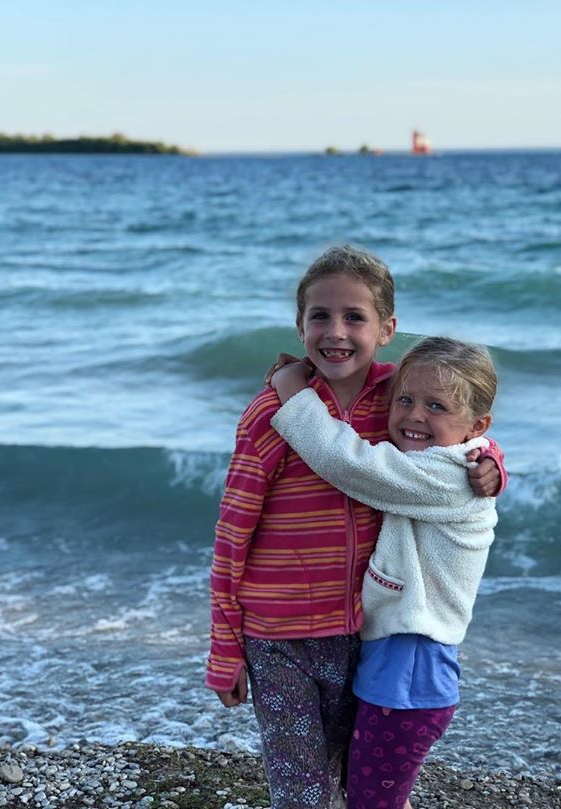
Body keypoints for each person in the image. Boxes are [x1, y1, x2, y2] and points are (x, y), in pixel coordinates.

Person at [206, 246, 504, 809]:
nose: (335, 331)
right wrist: (225, 643)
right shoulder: (271, 414)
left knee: (361, 779)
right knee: (300, 791)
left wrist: (492, 461)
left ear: (387, 328)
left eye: (355, 317)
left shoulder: (396, 403)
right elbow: (231, 535)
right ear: (299, 325)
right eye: (320, 316)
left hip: (359, 633)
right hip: (278, 636)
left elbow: (453, 435)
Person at [268, 336, 500, 809]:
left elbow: (348, 463)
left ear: (476, 426)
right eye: (405, 400)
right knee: (375, 795)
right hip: (399, 661)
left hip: (411, 667)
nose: (415, 415)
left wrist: (294, 393)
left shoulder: (449, 477)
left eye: (436, 406)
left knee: (372, 803)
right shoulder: (450, 462)